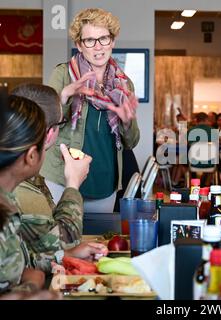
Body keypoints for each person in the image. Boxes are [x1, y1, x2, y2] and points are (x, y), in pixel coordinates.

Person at [0, 95, 107, 295]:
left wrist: (64, 256)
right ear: (32, 155)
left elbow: (16, 260)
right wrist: (32, 285)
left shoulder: (7, 200)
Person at [41, 8, 140, 213]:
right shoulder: (63, 74)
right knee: (60, 238)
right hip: (62, 177)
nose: (98, 47)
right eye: (89, 40)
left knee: (97, 242)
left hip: (105, 180)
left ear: (112, 41)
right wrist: (64, 98)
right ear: (79, 45)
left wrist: (127, 122)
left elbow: (131, 141)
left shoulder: (125, 84)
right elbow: (44, 125)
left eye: (103, 38)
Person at [11, 83, 91, 253]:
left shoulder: (22, 168)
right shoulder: (18, 184)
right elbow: (63, 242)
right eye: (60, 124)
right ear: (49, 134)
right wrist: (73, 183)